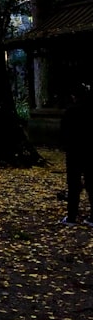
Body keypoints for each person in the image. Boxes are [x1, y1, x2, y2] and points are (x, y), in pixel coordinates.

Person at [60, 83, 93, 225]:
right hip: (90, 151)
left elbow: (64, 132)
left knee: (74, 184)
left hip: (74, 152)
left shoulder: (70, 112)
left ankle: (72, 216)